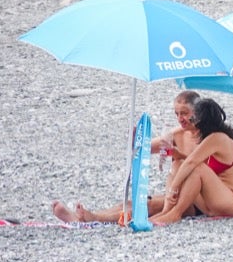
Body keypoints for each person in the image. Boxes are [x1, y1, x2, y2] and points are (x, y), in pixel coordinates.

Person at [53, 90, 203, 223]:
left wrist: (177, 154)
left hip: (198, 200)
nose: (180, 118)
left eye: (184, 113)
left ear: (197, 112)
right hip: (179, 191)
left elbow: (200, 169)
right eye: (177, 114)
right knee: (134, 202)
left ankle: (94, 218)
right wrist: (136, 141)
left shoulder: (206, 136)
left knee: (148, 205)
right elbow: (145, 148)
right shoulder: (177, 133)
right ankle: (85, 216)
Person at [150, 97, 233, 225]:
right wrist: (177, 154)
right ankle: (167, 211)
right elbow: (188, 163)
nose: (191, 123)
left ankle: (176, 213)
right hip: (214, 201)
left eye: (193, 119)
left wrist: (173, 189)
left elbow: (192, 163)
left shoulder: (218, 138)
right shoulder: (209, 138)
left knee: (198, 168)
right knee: (177, 164)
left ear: (202, 122)